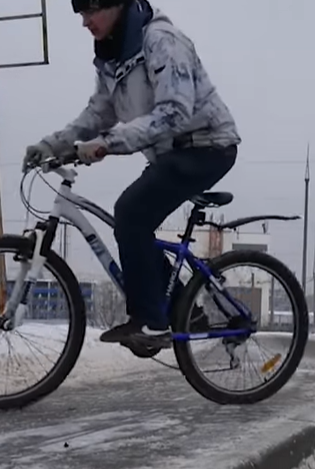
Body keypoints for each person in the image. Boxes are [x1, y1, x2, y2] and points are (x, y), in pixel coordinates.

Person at [23, 0, 240, 347]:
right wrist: (52, 144)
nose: (85, 22)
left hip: (206, 146)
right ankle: (184, 309)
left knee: (130, 213)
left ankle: (151, 322)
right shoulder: (113, 57)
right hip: (171, 153)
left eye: (91, 11)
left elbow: (175, 112)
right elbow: (98, 112)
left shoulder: (162, 40)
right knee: (134, 223)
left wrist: (108, 143)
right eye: (80, 14)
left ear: (117, 5)